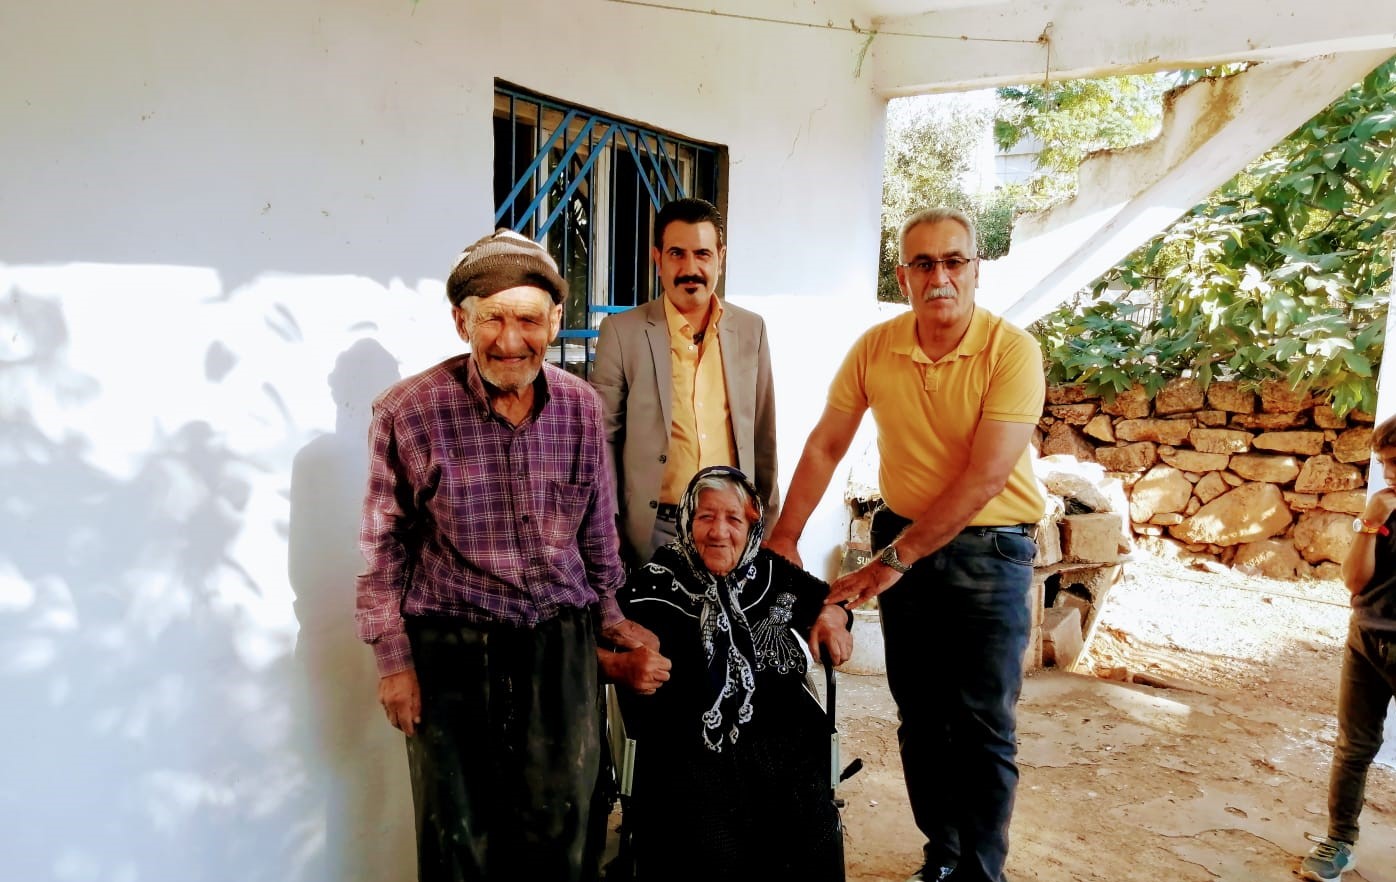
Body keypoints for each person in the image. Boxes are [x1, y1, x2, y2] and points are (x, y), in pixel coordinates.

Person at [355, 229, 656, 882]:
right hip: (452, 651)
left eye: (528, 319)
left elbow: (597, 534)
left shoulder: (580, 408)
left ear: (555, 321)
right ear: (461, 320)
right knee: (459, 837)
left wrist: (611, 619)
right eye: (492, 318)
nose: (510, 340)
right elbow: (383, 549)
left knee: (565, 830)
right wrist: (394, 663)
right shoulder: (408, 412)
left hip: (560, 646)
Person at [765, 207, 1046, 882]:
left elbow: (985, 477)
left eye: (953, 261)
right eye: (923, 263)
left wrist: (891, 562)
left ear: (975, 269)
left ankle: (981, 873)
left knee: (983, 723)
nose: (939, 276)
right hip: (904, 539)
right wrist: (785, 535)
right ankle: (942, 855)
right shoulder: (876, 347)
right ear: (903, 276)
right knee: (920, 717)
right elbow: (827, 443)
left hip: (991, 552)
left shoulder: (1012, 351)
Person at [612, 465, 853, 882]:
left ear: (751, 525)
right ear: (687, 521)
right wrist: (619, 665)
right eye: (705, 517)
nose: (719, 532)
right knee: (710, 849)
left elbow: (831, 600)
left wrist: (833, 617)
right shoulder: (656, 580)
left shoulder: (773, 572)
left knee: (809, 831)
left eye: (733, 519)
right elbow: (598, 635)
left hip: (782, 744)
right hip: (689, 746)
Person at [592, 197, 779, 568]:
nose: (690, 269)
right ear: (657, 258)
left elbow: (763, 433)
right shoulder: (623, 332)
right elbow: (603, 438)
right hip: (654, 529)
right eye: (677, 254)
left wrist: (770, 525)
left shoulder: (750, 329)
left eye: (702, 254)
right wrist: (608, 527)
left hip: (732, 529)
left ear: (720, 258)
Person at [1300, 415, 1396, 881]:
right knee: (1353, 747)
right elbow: (1355, 581)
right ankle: (1339, 841)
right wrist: (1369, 524)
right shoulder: (1383, 510)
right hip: (1366, 640)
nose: (1389, 474)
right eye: (1385, 463)